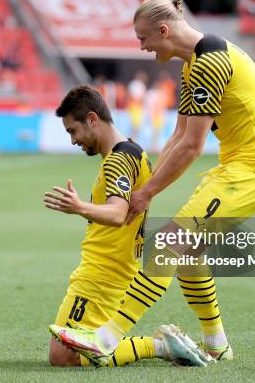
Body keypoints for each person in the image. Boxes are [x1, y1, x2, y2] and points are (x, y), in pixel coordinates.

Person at [54, 0, 255, 364]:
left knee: (167, 246)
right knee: (189, 254)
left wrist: (145, 193)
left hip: (254, 173)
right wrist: (149, 180)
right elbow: (178, 135)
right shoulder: (196, 63)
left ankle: (107, 338)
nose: (142, 47)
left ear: (164, 30)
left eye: (143, 38)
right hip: (235, 171)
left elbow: (193, 146)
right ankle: (216, 344)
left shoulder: (210, 61)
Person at [45, 85, 210, 368]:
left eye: (73, 131)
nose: (73, 140)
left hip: (104, 274)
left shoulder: (118, 161)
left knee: (64, 356)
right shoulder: (133, 152)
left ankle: (159, 346)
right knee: (70, 347)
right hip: (111, 269)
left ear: (93, 119)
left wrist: (79, 207)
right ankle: (158, 345)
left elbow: (118, 213)